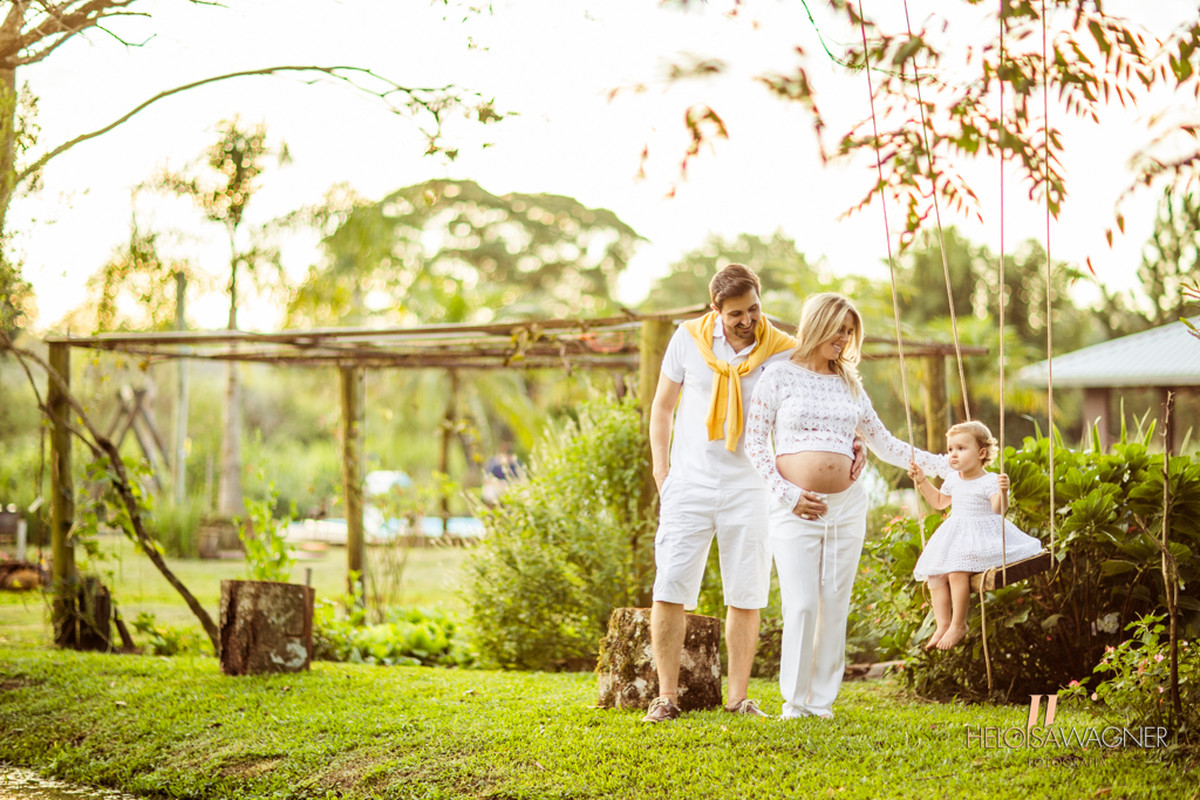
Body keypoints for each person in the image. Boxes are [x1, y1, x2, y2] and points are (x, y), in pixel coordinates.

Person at [642, 265, 865, 723]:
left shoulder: (784, 349)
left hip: (753, 486)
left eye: (754, 309)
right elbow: (662, 407)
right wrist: (662, 472)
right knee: (670, 585)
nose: (748, 321)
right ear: (715, 309)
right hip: (689, 483)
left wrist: (853, 440)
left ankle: (738, 698)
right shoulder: (687, 339)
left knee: (746, 592)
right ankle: (665, 697)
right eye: (736, 314)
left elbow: (826, 393)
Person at [744, 292, 948, 719]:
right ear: (816, 325)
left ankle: (821, 702)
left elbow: (885, 443)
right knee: (802, 603)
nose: (844, 339)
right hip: (795, 507)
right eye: (838, 330)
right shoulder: (778, 375)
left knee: (835, 602)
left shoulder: (849, 383)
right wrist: (789, 495)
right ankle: (794, 703)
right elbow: (755, 443)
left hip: (846, 506)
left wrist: (946, 465)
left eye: (849, 332)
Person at [908, 420, 1044, 650]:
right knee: (935, 574)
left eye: (961, 448)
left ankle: (958, 624)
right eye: (950, 449)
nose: (953, 454)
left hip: (983, 535)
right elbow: (939, 502)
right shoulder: (953, 479)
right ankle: (943, 624)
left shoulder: (989, 480)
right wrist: (921, 481)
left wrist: (1003, 492)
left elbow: (998, 509)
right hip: (958, 533)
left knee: (956, 571)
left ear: (981, 453)